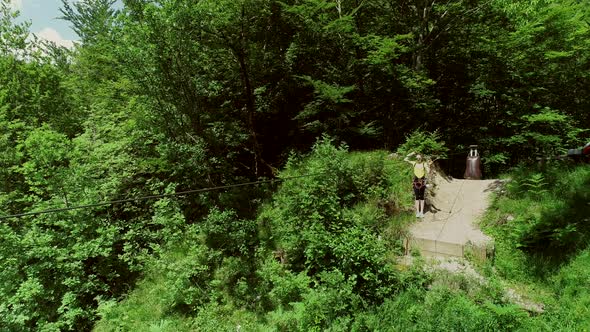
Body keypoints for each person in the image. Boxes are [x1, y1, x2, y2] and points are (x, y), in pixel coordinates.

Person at [404, 151, 431, 218]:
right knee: (416, 197)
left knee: (421, 197)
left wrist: (428, 166)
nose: (418, 159)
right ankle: (417, 212)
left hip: (422, 182)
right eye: (417, 158)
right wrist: (412, 153)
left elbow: (428, 171)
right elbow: (405, 159)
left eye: (419, 158)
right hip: (415, 182)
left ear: (421, 158)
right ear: (416, 158)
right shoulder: (414, 163)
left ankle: (421, 212)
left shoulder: (424, 164)